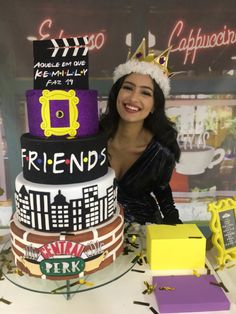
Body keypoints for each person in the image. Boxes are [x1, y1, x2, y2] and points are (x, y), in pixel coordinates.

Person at [100, 39, 182, 225]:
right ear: (117, 94)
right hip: (98, 234)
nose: (133, 98)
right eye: (128, 88)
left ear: (154, 105)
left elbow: (164, 196)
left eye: (145, 93)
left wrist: (179, 235)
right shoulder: (93, 139)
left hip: (143, 233)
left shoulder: (161, 154)